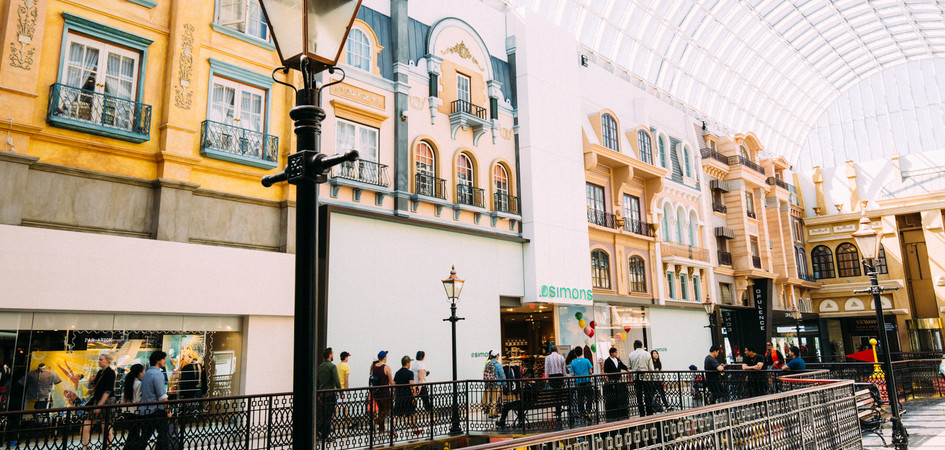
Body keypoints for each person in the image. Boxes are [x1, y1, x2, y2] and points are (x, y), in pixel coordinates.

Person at [82, 353, 116, 448]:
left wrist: (99, 405)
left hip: (104, 402)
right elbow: (95, 390)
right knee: (86, 425)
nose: (99, 361)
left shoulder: (110, 372)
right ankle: (86, 446)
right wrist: (91, 382)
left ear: (107, 361)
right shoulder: (100, 373)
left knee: (106, 427)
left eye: (101, 359)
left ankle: (107, 447)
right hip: (97, 400)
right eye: (99, 359)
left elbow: (108, 391)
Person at [139, 351, 171, 450]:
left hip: (145, 409)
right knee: (163, 435)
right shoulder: (157, 374)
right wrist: (168, 410)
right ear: (158, 361)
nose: (165, 361)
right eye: (163, 359)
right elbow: (161, 395)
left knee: (145, 436)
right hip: (156, 410)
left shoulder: (146, 374)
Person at [316, 347, 341, 442]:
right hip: (330, 394)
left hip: (322, 394)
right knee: (328, 415)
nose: (333, 355)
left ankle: (319, 432)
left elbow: (318, 382)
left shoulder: (320, 367)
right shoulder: (332, 366)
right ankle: (325, 435)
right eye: (332, 354)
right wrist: (341, 392)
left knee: (323, 414)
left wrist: (318, 394)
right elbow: (337, 381)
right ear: (330, 355)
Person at [393, 355, 421, 437]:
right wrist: (415, 395)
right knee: (412, 413)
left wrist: (395, 394)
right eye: (409, 363)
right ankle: (415, 430)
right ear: (407, 363)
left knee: (397, 414)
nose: (410, 364)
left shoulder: (397, 373)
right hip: (408, 397)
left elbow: (394, 385)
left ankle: (392, 430)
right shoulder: (410, 373)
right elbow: (411, 385)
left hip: (399, 396)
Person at [627, 340, 654, 417]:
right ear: (641, 345)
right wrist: (652, 379)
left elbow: (628, 368)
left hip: (637, 378)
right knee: (648, 395)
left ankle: (641, 413)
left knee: (639, 396)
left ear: (635, 345)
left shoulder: (631, 354)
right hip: (646, 378)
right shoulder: (647, 354)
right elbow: (651, 369)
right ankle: (649, 412)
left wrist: (634, 370)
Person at [122, 364, 145, 450]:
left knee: (132, 434)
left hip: (127, 412)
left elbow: (123, 398)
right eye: (143, 371)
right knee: (134, 434)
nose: (143, 373)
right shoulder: (139, 384)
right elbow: (138, 399)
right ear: (139, 373)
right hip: (135, 412)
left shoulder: (128, 382)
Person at [602, 347, 629, 421]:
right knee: (613, 392)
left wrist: (627, 369)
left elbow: (622, 365)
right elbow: (606, 370)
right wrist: (605, 377)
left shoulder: (617, 360)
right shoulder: (608, 361)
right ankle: (614, 408)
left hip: (618, 379)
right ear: (611, 353)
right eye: (615, 352)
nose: (616, 354)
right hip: (612, 379)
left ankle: (618, 407)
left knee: (619, 392)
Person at [568, 348, 593, 425]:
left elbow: (572, 374)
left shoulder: (573, 362)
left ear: (575, 353)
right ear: (582, 353)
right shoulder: (587, 360)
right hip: (587, 382)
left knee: (580, 399)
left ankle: (582, 414)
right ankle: (588, 410)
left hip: (579, 383)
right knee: (589, 397)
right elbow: (591, 371)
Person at [371, 351, 394, 433]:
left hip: (376, 392)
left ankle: (381, 429)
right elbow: (391, 381)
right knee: (388, 409)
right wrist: (395, 388)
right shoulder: (386, 367)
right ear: (384, 357)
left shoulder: (374, 367)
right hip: (385, 392)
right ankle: (377, 420)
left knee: (381, 410)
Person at [544, 346, 566, 423]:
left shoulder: (547, 358)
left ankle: (557, 410)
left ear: (551, 350)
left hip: (552, 377)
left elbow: (546, 370)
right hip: (559, 376)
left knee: (554, 393)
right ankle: (558, 410)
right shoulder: (561, 357)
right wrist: (564, 379)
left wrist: (547, 380)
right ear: (557, 350)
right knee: (559, 394)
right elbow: (564, 370)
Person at [482, 350, 505, 418]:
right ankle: (491, 413)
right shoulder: (498, 365)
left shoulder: (487, 364)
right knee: (494, 399)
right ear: (497, 356)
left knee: (490, 399)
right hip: (496, 384)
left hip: (489, 384)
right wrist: (504, 383)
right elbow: (502, 375)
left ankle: (494, 412)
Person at [410, 351, 432, 417]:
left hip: (414, 385)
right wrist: (419, 389)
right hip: (421, 387)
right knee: (427, 403)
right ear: (422, 357)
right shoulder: (421, 365)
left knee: (413, 404)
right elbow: (420, 378)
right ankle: (431, 418)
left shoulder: (414, 365)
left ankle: (412, 419)